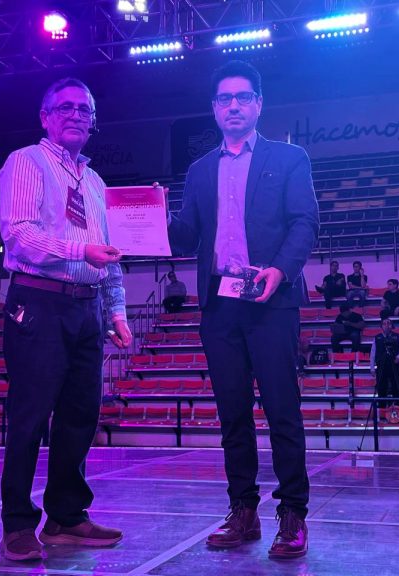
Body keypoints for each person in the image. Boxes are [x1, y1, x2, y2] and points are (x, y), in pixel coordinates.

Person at [168, 60, 319, 560]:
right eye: (224, 99)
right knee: (233, 414)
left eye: (242, 97)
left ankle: (293, 514)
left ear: (258, 104)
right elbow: (185, 237)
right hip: (219, 304)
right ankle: (243, 510)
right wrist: (149, 214)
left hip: (270, 299)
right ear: (214, 109)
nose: (233, 106)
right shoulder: (199, 171)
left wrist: (281, 271)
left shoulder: (289, 158)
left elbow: (305, 222)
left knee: (282, 410)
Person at [0, 77, 132, 562]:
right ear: (45, 117)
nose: (76, 115)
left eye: (85, 109)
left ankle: (65, 516)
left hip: (87, 305)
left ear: (93, 121)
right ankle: (17, 523)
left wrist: (116, 309)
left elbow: (110, 254)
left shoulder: (95, 183)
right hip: (39, 301)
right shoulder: (26, 162)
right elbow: (19, 235)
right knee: (30, 416)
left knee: (80, 415)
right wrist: (80, 250)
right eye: (66, 107)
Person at [370, 318, 399, 419]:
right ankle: (382, 412)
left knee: (396, 388)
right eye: (384, 323)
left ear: (392, 326)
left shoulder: (398, 337)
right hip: (381, 366)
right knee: (381, 388)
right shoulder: (377, 338)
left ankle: (398, 413)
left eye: (389, 323)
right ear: (381, 326)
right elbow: (373, 354)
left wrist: (398, 357)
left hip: (394, 366)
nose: (387, 325)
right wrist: (372, 368)